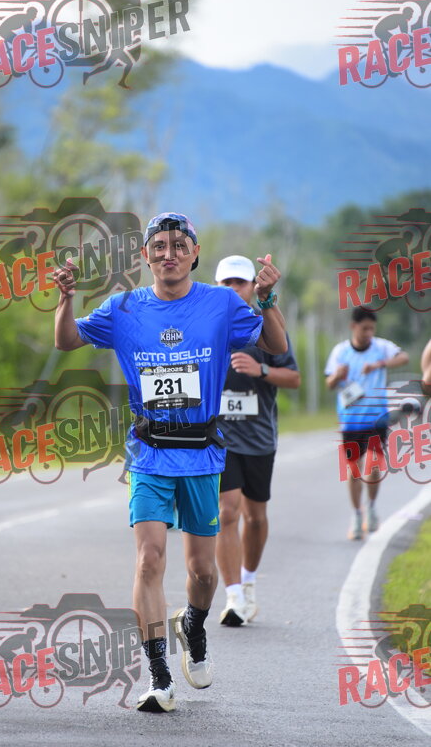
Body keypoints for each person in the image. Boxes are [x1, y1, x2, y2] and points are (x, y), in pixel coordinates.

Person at [53, 212, 288, 713]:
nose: (169, 254)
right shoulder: (123, 308)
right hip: (148, 453)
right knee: (149, 559)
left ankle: (194, 626)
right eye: (159, 246)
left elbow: (276, 345)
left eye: (180, 245)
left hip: (201, 454)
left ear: (195, 254)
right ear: (145, 255)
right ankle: (159, 675)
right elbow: (67, 339)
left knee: (202, 573)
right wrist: (66, 298)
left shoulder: (222, 303)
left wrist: (267, 299)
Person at [214, 255, 301, 626]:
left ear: (252, 286)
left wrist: (260, 369)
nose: (234, 289)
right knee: (227, 511)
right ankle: (234, 597)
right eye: (227, 283)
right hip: (220, 436)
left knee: (256, 517)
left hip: (259, 436)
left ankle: (248, 581)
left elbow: (293, 378)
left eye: (240, 282)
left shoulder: (265, 325)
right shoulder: (207, 325)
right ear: (217, 287)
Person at [325, 307, 409, 540]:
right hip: (350, 422)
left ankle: (371, 506)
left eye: (372, 329)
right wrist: (337, 376)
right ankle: (356, 514)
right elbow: (329, 384)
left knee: (373, 468)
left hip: (376, 420)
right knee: (354, 472)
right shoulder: (340, 352)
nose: (369, 333)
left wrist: (379, 364)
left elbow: (404, 357)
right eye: (365, 329)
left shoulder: (381, 347)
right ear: (353, 327)